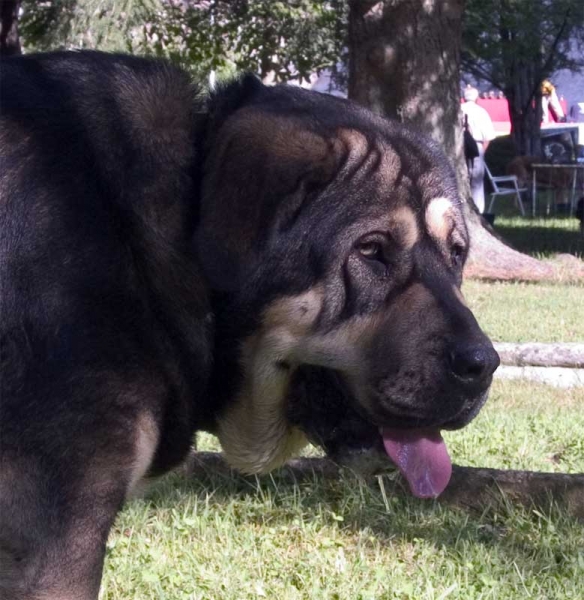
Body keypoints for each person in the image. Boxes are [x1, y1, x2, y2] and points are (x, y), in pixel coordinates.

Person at [461, 86, 496, 213]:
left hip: (460, 147)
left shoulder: (458, 110)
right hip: (477, 146)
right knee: (477, 183)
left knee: (460, 179)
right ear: (477, 98)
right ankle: (477, 211)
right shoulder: (481, 112)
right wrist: (481, 152)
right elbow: (488, 137)